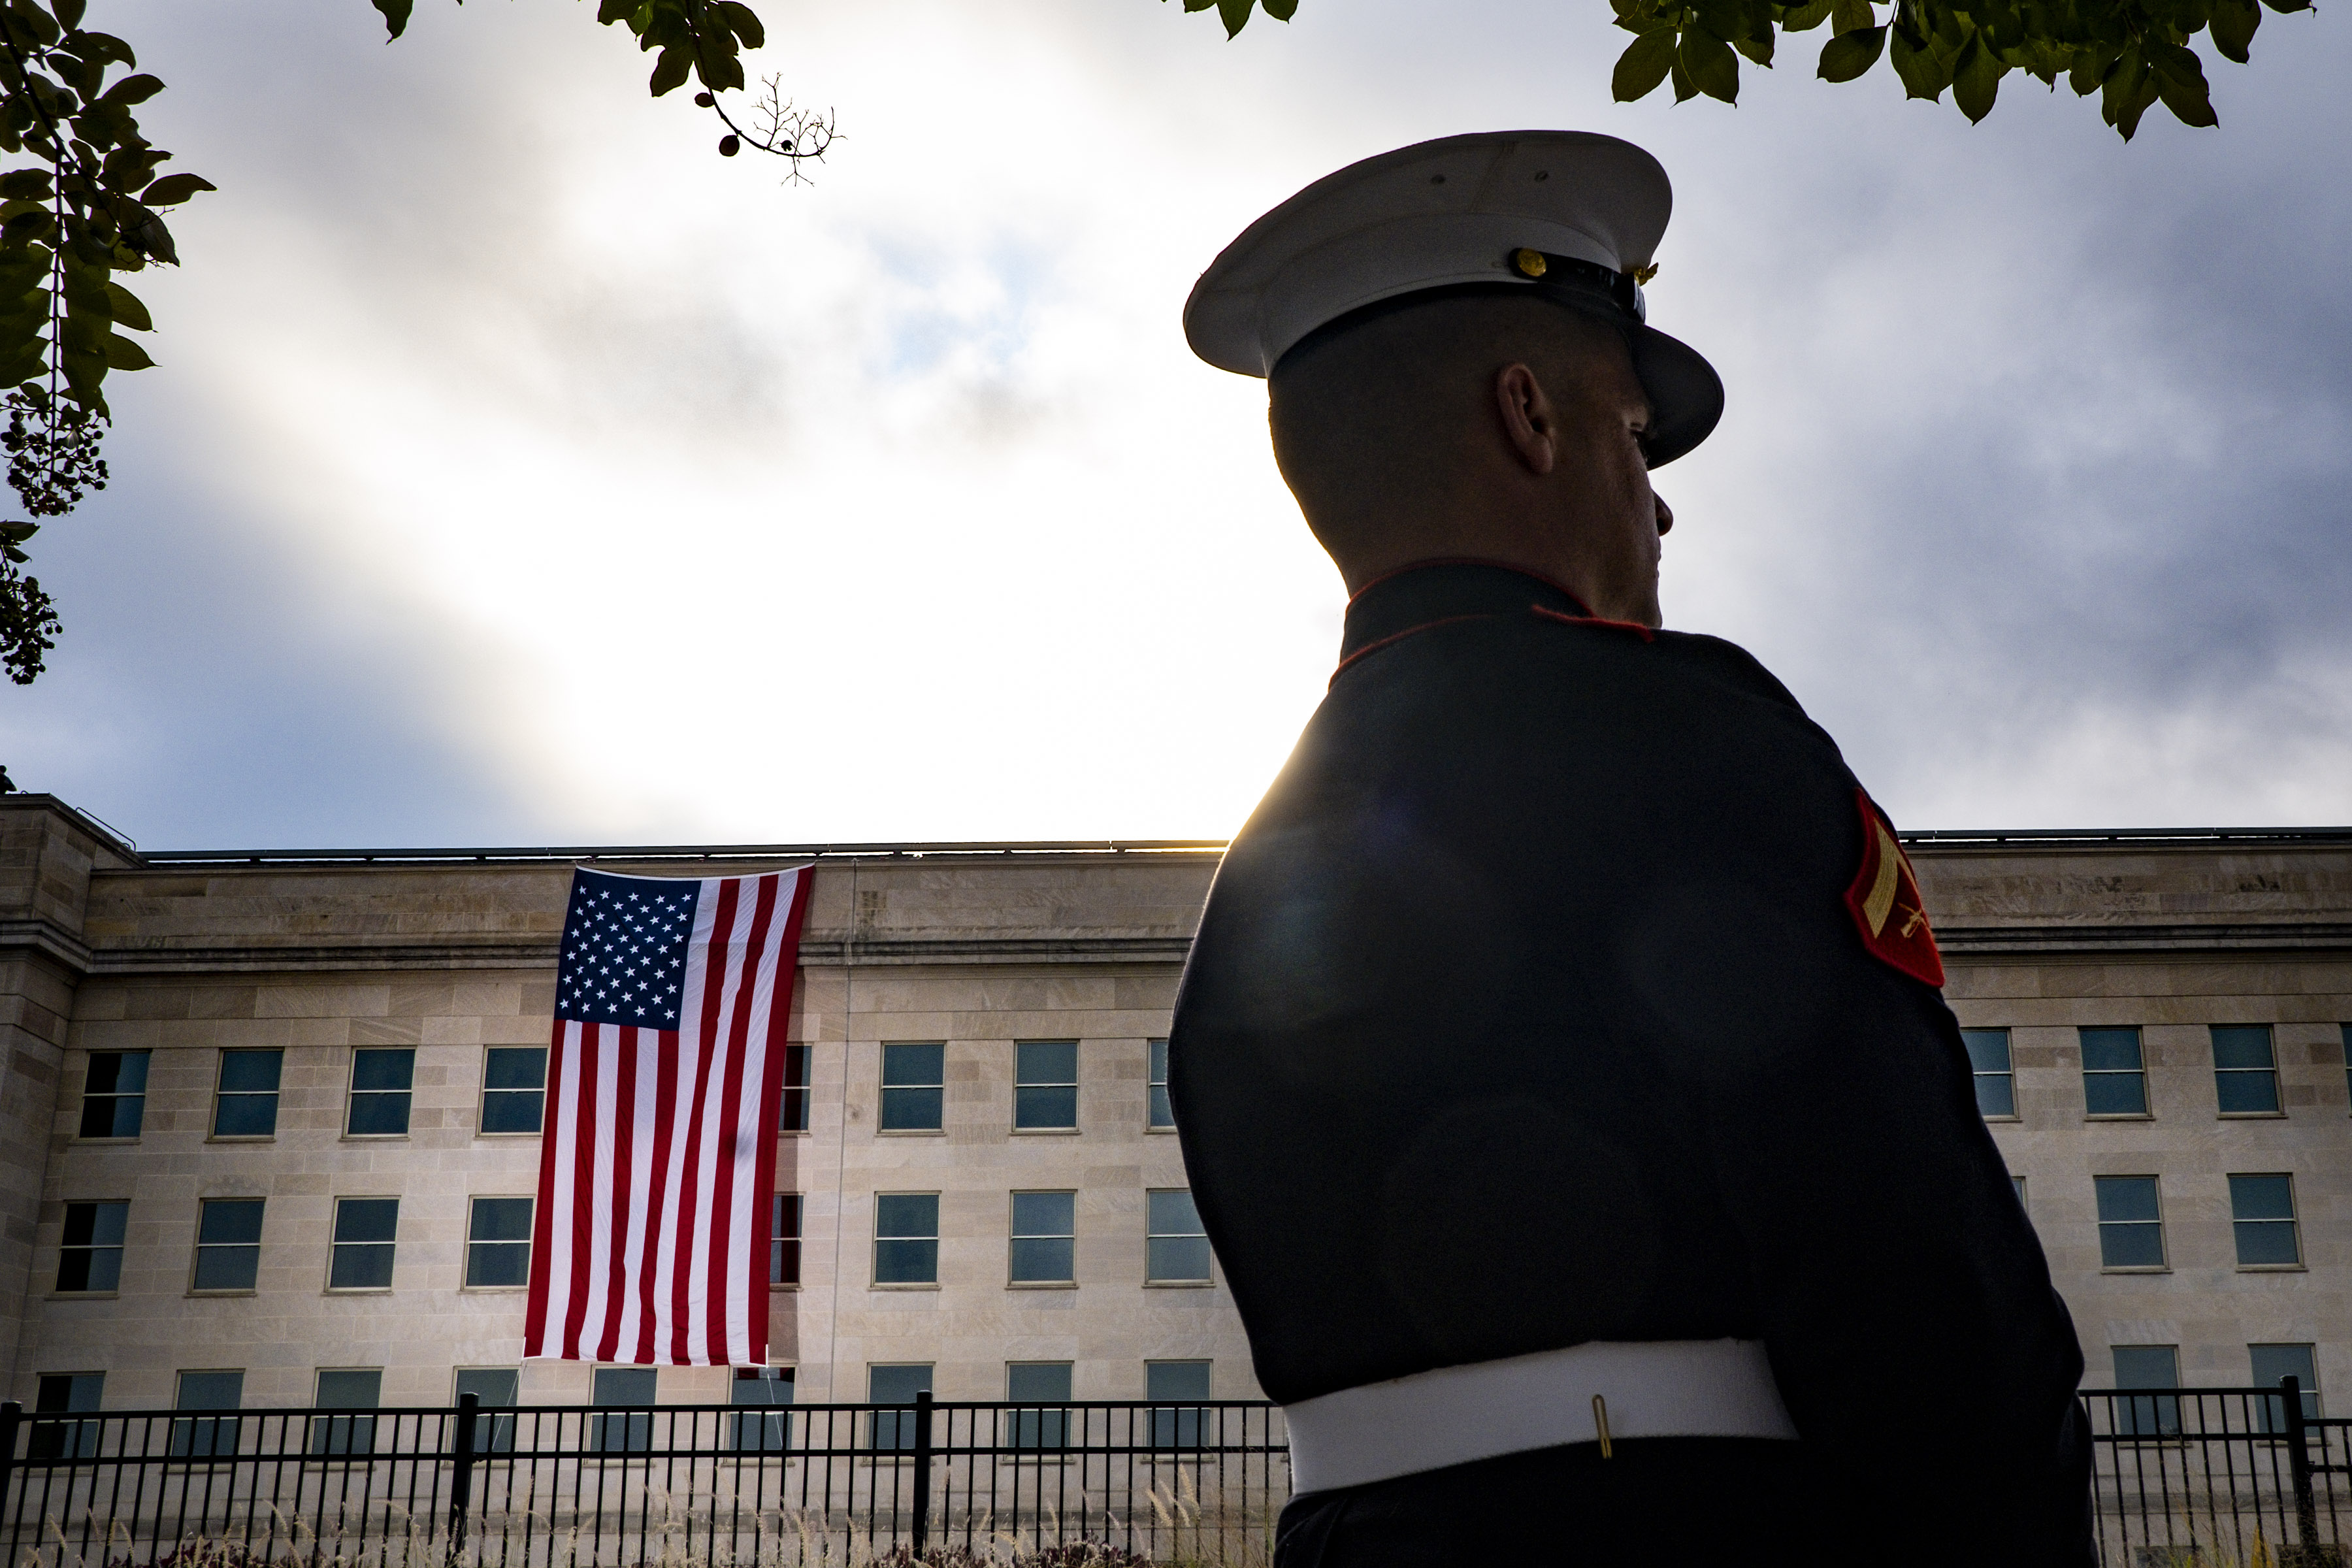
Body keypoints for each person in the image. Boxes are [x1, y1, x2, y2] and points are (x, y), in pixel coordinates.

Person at [1165, 131, 2093, 1565]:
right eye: (1628, 435)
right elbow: (1909, 1279)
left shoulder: (1260, 861)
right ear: (1529, 417)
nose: (1656, 502)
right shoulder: (1692, 742)